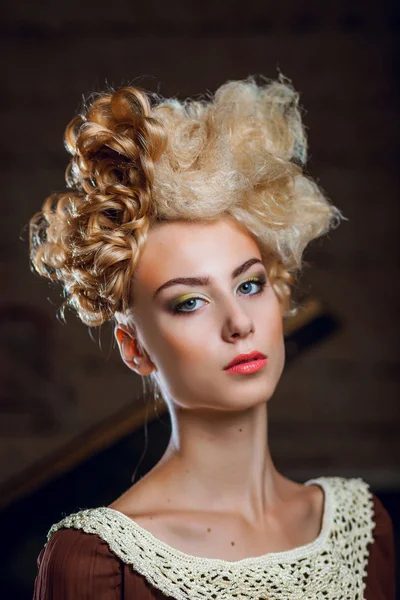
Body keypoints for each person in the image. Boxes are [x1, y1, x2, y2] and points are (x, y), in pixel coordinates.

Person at [30, 76, 395, 599]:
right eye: (189, 302)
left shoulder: (364, 528)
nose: (238, 322)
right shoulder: (97, 562)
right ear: (134, 348)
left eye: (249, 284)